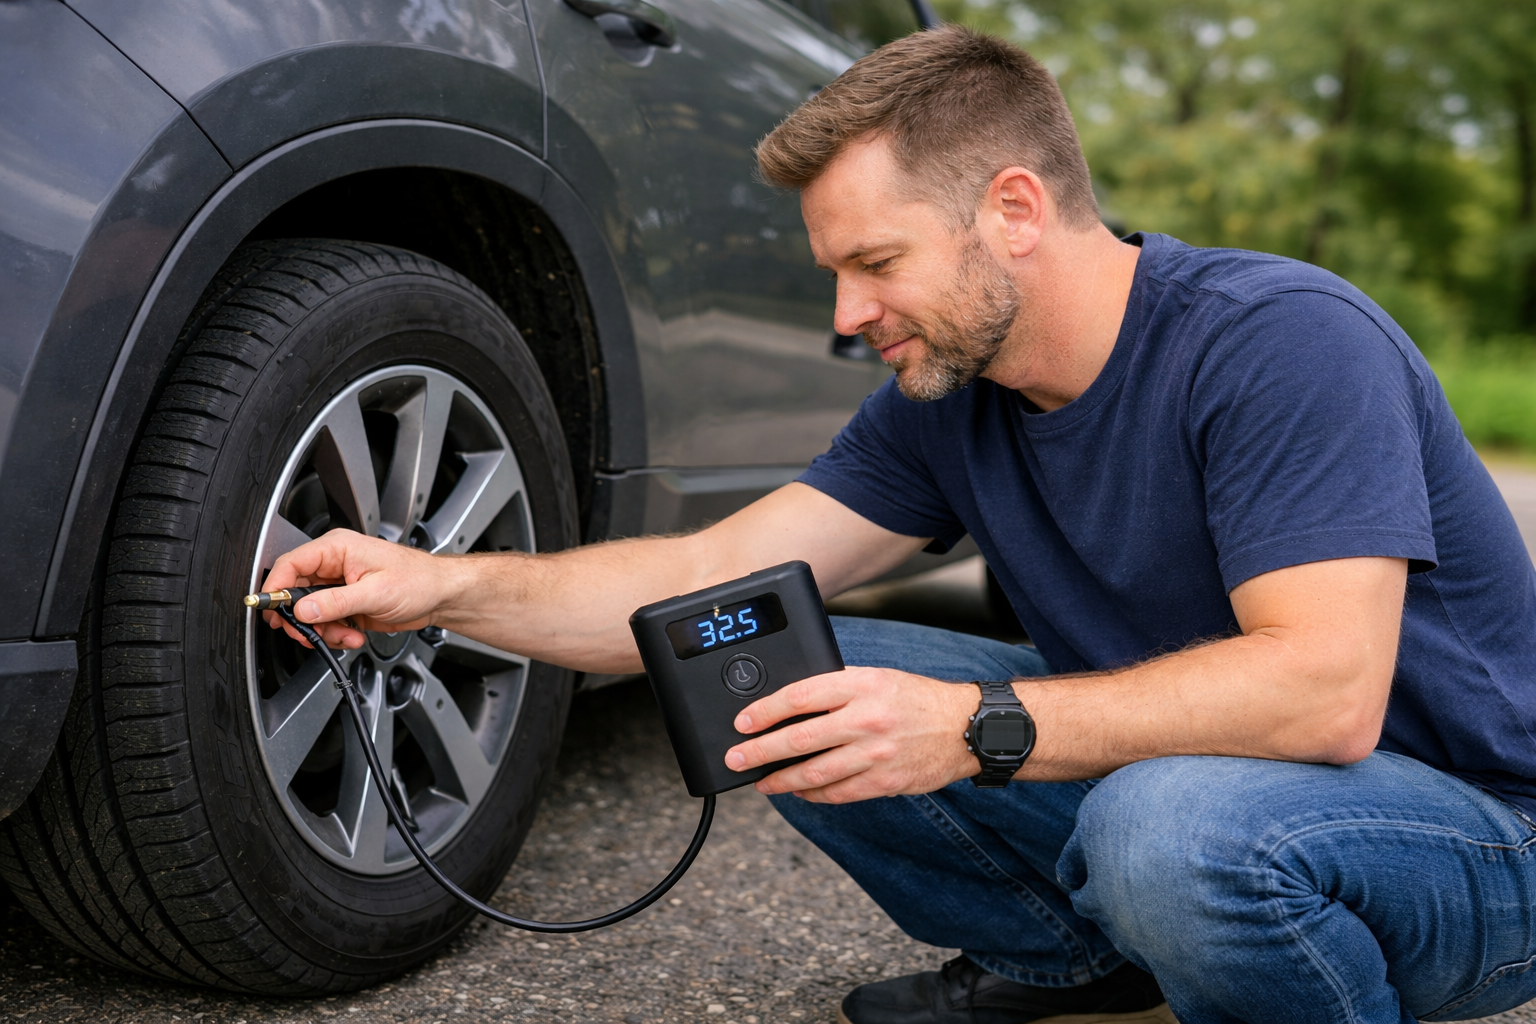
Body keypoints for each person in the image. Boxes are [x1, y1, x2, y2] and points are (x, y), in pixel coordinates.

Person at [260, 25, 1536, 1024]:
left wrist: (973, 726)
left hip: (1472, 835)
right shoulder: (951, 395)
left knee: (1171, 834)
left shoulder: (1280, 343)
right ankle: (1072, 961)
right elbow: (706, 575)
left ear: (1015, 213)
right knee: (751, 661)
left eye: (873, 262)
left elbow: (1324, 696)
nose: (845, 313)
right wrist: (439, 588)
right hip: (1210, 775)